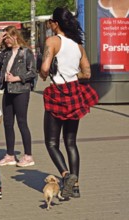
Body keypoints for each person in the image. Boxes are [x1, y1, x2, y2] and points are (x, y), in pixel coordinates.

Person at [40, 7, 97, 199]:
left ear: (56, 23)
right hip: (75, 92)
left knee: (51, 142)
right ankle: (76, 186)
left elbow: (45, 69)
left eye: (50, 21)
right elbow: (87, 74)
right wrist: (72, 74)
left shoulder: (52, 41)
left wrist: (46, 74)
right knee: (71, 142)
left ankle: (65, 175)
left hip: (57, 92)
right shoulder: (78, 45)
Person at [0, 26, 37, 167]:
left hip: (21, 90)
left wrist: (16, 78)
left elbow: (33, 72)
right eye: (4, 38)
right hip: (8, 90)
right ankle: (10, 155)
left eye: (8, 38)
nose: (6, 41)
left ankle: (28, 155)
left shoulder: (26, 52)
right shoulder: (6, 52)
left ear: (15, 36)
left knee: (22, 122)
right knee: (8, 123)